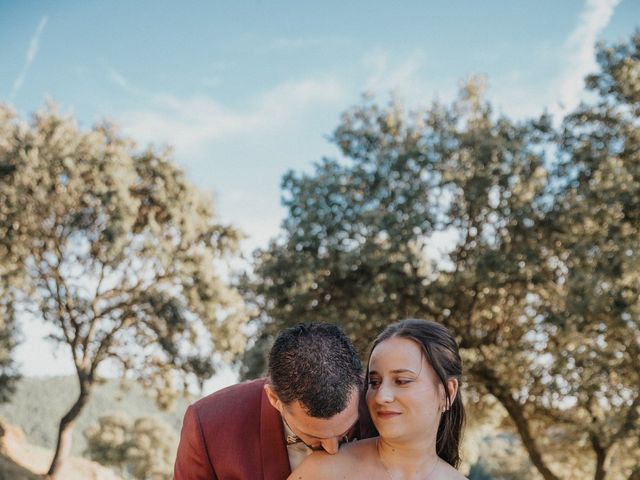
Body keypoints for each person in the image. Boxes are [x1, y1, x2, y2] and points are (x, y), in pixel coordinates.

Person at [173, 322, 374, 479]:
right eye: (315, 437)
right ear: (274, 399)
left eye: (343, 434)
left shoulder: (382, 406)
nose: (333, 450)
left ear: (358, 383)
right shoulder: (207, 425)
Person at [289, 319, 467, 480]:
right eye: (374, 383)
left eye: (402, 381)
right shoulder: (323, 471)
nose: (381, 397)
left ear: (447, 392)